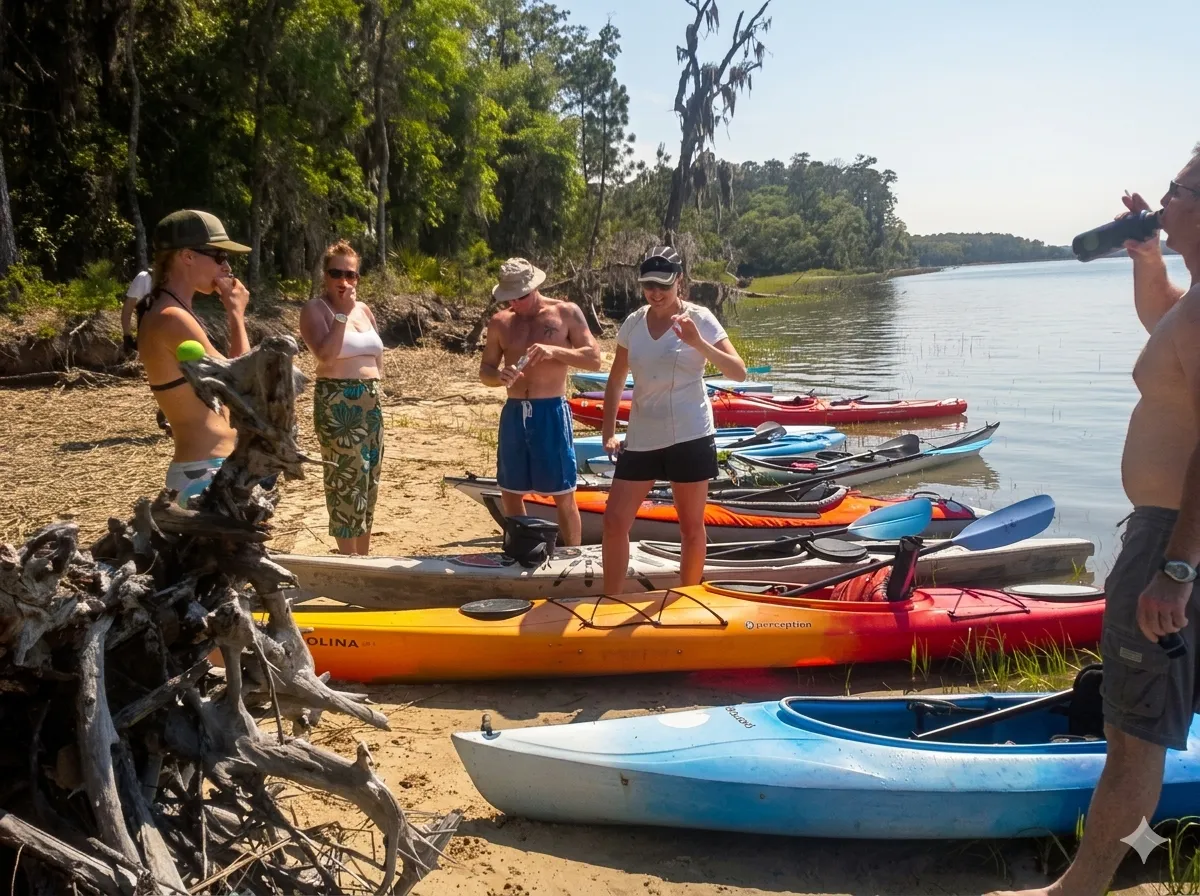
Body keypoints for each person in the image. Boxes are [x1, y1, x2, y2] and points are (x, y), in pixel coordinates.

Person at [993, 147, 1200, 896]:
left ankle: (1076, 891)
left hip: (1176, 539)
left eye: (1173, 190)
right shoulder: (1193, 300)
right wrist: (1145, 258)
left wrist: (1176, 567)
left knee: (1135, 734)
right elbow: (1167, 326)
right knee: (1133, 723)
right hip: (1173, 534)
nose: (1159, 199)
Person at [600, 246, 746, 594]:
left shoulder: (701, 319)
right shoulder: (634, 323)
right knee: (614, 521)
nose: (656, 292)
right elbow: (616, 379)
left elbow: (738, 372)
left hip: (690, 435)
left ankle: (688, 597)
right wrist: (608, 432)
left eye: (664, 284)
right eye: (649, 284)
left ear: (679, 280)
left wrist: (698, 342)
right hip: (642, 437)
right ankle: (609, 598)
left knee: (690, 526)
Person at [479, 257, 602, 546]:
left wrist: (555, 351)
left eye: (521, 296)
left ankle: (571, 554)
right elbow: (485, 371)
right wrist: (500, 377)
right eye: (510, 298)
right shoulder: (501, 322)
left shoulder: (565, 313)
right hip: (514, 412)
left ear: (534, 288)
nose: (516, 303)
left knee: (562, 491)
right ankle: (521, 546)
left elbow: (594, 359)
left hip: (550, 410)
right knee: (511, 490)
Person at [135, 209, 251, 508]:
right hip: (206, 474)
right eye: (218, 256)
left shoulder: (167, 311)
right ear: (187, 256)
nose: (226, 266)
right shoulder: (171, 318)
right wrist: (236, 314)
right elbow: (242, 384)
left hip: (206, 469)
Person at [299, 240, 384, 556]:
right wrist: (342, 315)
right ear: (324, 274)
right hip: (337, 401)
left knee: (368, 479)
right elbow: (325, 354)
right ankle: (348, 556)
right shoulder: (315, 310)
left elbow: (377, 353)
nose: (344, 281)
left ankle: (363, 556)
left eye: (351, 274)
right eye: (336, 273)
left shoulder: (365, 310)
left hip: (370, 401)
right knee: (345, 480)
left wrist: (376, 385)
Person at [122, 268, 151, 354]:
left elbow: (128, 309)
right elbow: (128, 309)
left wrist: (127, 336)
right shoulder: (145, 278)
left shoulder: (144, 278)